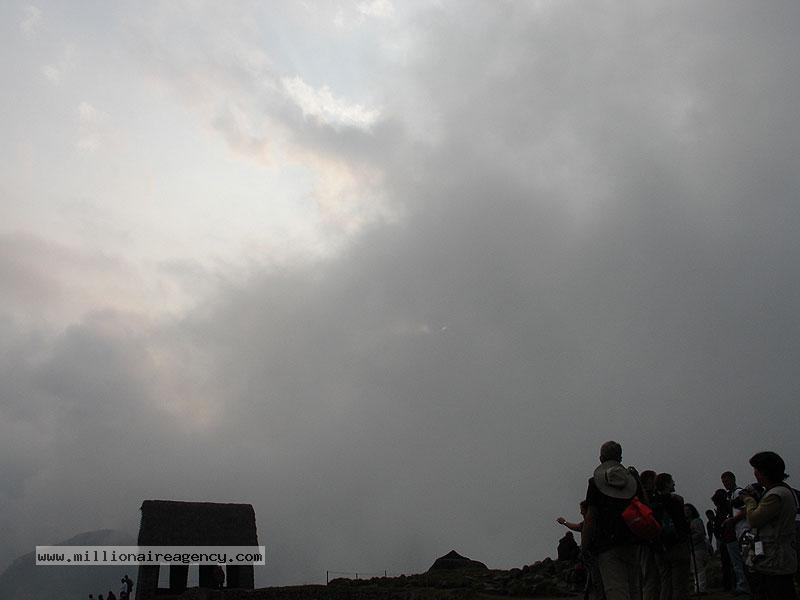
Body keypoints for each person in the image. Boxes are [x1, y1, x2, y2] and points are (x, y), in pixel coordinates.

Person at [582, 441, 640, 600]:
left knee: (615, 589)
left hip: (606, 543)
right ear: (620, 458)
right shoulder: (633, 480)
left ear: (601, 459)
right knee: (634, 588)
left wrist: (585, 545)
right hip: (632, 539)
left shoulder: (595, 483)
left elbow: (591, 516)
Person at [741, 451, 798, 600]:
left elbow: (754, 520)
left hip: (776, 560)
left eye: (756, 470)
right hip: (776, 559)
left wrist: (749, 500)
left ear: (764, 472)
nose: (755, 474)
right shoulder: (779, 491)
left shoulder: (775, 495)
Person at [650, 473, 690, 600]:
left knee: (665, 582)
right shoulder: (675, 501)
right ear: (667, 484)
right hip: (677, 545)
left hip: (660, 547)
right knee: (680, 584)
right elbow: (681, 523)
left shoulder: (652, 503)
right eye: (671, 481)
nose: (674, 483)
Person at [721, 471, 750, 595]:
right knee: (740, 560)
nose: (725, 484)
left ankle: (744, 585)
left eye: (727, 481)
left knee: (742, 560)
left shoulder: (738, 493)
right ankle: (744, 584)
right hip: (738, 530)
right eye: (723, 482)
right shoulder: (731, 494)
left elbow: (746, 509)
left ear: (733, 479)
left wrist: (733, 520)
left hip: (743, 528)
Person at [638, 470, 660, 600]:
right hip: (648, 540)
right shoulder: (647, 499)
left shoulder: (640, 497)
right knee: (650, 575)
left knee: (649, 574)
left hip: (645, 540)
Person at [684, 503, 709, 594]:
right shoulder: (688, 523)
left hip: (698, 548)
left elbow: (700, 534)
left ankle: (700, 589)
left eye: (688, 510)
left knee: (699, 569)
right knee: (695, 569)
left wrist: (690, 539)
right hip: (692, 548)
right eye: (685, 511)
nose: (686, 512)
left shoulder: (697, 521)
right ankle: (697, 588)